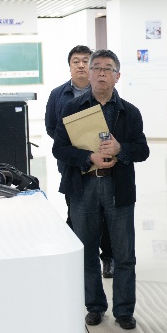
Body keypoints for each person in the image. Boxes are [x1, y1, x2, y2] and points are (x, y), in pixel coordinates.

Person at [53, 50, 150, 330]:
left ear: (117, 76)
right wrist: (88, 157)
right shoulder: (72, 108)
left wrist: (121, 149)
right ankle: (94, 306)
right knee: (86, 252)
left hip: (118, 187)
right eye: (96, 68)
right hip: (83, 187)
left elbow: (142, 150)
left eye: (108, 69)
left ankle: (124, 310)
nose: (101, 73)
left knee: (124, 253)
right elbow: (59, 148)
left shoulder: (130, 112)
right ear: (90, 73)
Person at [44, 44, 113, 277]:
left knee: (105, 212)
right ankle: (79, 258)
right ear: (70, 66)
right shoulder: (58, 95)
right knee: (76, 210)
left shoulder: (103, 90)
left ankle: (108, 257)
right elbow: (51, 127)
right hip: (72, 164)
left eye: (85, 61)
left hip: (103, 161)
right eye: (76, 61)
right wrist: (75, 147)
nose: (81, 65)